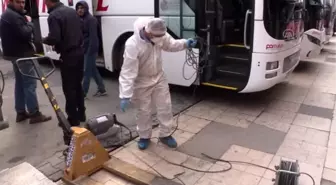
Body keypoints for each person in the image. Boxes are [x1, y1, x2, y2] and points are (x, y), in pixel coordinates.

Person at [119, 17, 197, 150]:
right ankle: (144, 136)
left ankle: (165, 134)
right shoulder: (133, 44)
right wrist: (125, 94)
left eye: (162, 36)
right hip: (141, 81)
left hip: (159, 76)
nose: (161, 39)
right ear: (148, 33)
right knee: (143, 111)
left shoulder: (159, 34)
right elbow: (128, 70)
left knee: (165, 106)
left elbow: (171, 44)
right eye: (158, 37)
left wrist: (185, 43)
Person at [0, 0, 52, 124]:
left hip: (14, 55)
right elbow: (25, 34)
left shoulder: (7, 14)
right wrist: (30, 23)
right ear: (11, 2)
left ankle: (21, 112)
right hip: (22, 54)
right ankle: (34, 114)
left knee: (20, 83)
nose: (22, 5)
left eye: (23, 2)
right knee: (30, 84)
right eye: (19, 2)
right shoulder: (15, 17)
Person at [42, 0, 86, 145]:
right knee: (78, 85)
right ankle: (81, 113)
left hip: (68, 56)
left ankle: (73, 119)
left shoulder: (54, 15)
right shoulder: (71, 11)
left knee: (69, 88)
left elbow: (55, 37)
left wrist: (43, 40)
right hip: (79, 53)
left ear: (49, 1)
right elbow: (80, 30)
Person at [75, 1, 107, 98]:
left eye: (82, 8)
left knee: (86, 71)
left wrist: (90, 52)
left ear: (86, 9)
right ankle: (102, 89)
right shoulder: (80, 19)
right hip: (84, 49)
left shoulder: (91, 20)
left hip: (91, 49)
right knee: (92, 69)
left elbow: (94, 38)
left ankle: (83, 93)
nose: (80, 10)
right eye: (78, 8)